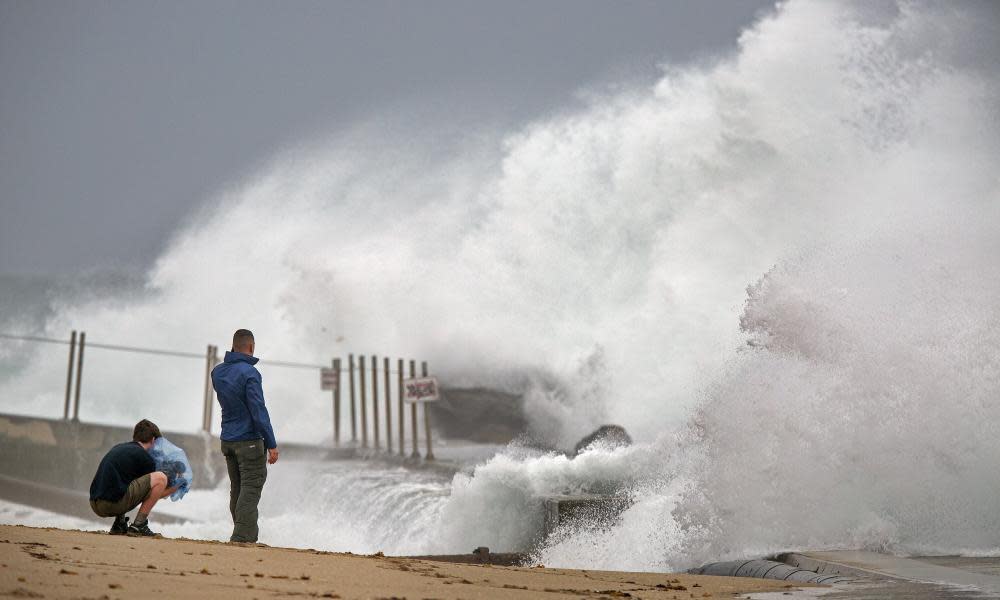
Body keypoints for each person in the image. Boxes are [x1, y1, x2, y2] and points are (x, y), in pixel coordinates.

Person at [211, 328, 279, 543]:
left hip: (228, 440)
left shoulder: (217, 372)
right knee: (251, 487)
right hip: (248, 440)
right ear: (251, 347)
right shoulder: (250, 373)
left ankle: (245, 535)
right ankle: (242, 537)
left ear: (234, 346)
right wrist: (271, 443)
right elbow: (258, 410)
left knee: (238, 490)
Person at [89, 419, 178, 537]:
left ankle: (119, 524)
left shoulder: (120, 448)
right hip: (110, 504)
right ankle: (139, 525)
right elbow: (154, 492)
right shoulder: (144, 457)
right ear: (153, 440)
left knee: (125, 479)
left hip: (94, 503)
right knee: (161, 478)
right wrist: (177, 486)